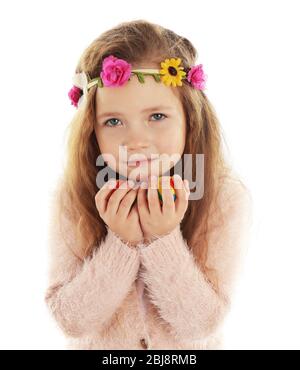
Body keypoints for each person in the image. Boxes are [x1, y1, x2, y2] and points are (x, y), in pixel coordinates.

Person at [44, 19, 253, 350]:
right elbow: (72, 321)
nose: (136, 141)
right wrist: (121, 244)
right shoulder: (75, 195)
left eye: (157, 116)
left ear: (190, 118)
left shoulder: (222, 197)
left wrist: (162, 239)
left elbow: (200, 326)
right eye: (113, 121)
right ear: (92, 131)